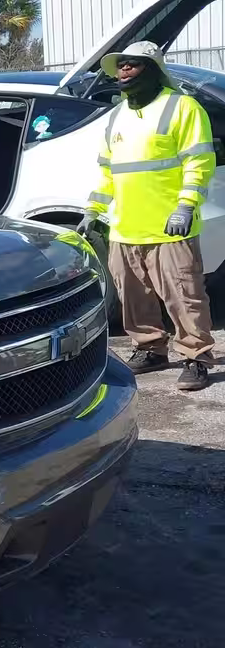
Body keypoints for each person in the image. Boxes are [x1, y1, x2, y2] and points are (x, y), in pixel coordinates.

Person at [77, 41, 217, 391]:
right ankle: (150, 348)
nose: (123, 71)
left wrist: (185, 206)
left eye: (133, 65)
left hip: (170, 225)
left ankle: (196, 356)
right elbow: (108, 171)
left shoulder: (182, 107)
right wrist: (93, 210)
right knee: (133, 296)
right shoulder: (116, 117)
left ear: (153, 70)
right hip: (125, 227)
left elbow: (199, 162)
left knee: (185, 294)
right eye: (120, 66)